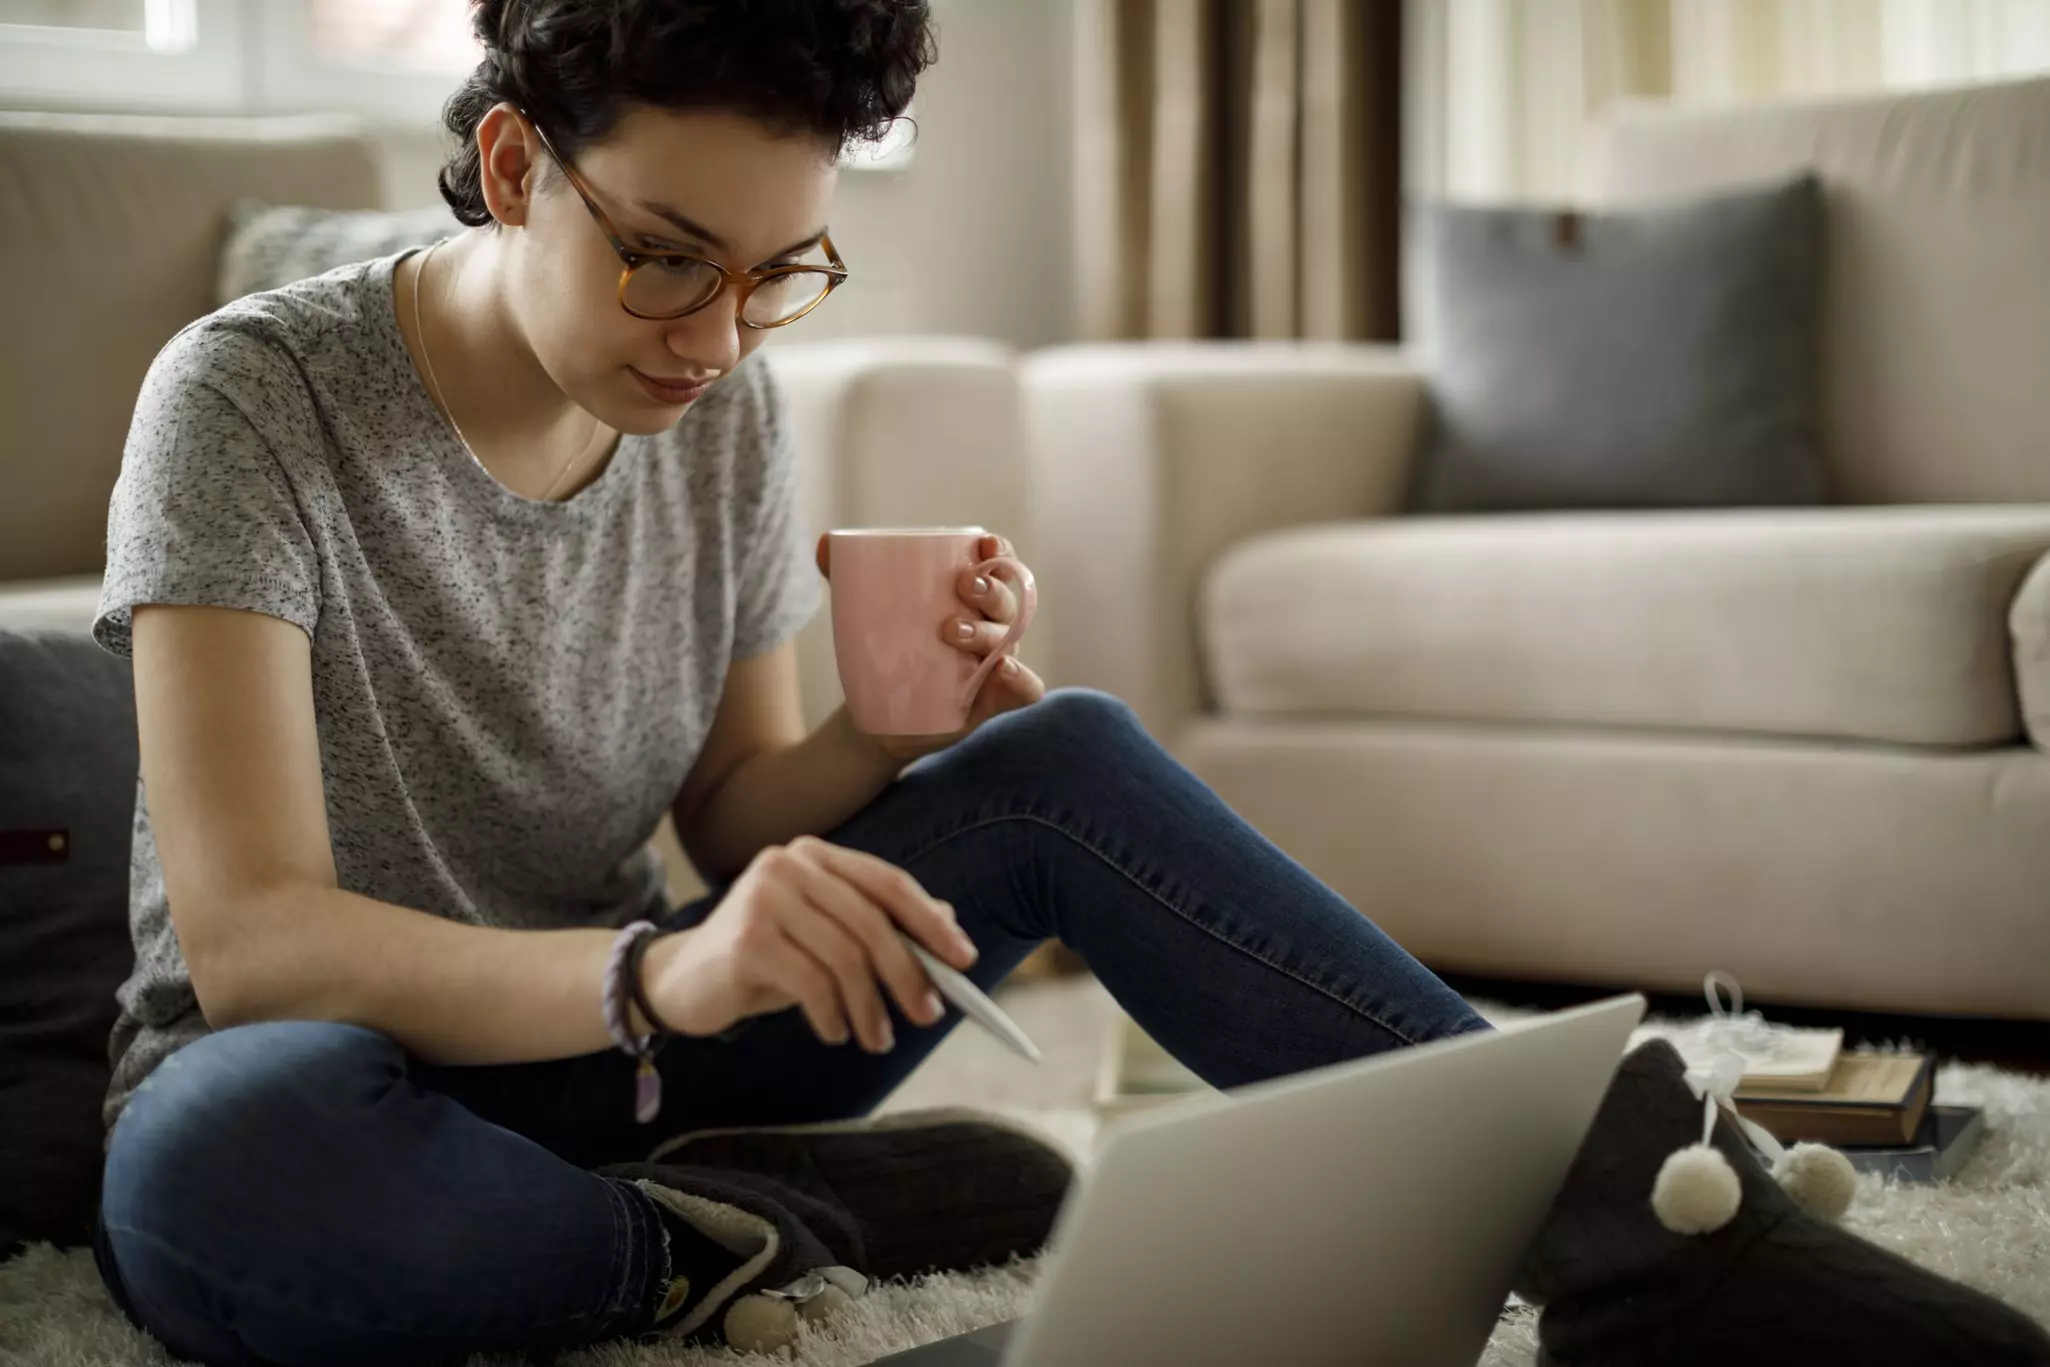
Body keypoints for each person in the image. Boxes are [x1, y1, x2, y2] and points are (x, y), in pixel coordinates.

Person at [86, 3, 2050, 1366]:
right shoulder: (251, 397)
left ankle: (1644, 1216)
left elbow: (732, 811)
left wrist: (894, 738)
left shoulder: (718, 395)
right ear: (513, 162)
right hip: (325, 1070)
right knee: (224, 1194)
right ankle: (765, 1216)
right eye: (668, 259)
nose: (716, 335)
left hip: (625, 1048)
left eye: (780, 272)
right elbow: (255, 939)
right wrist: (656, 972)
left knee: (1063, 752)